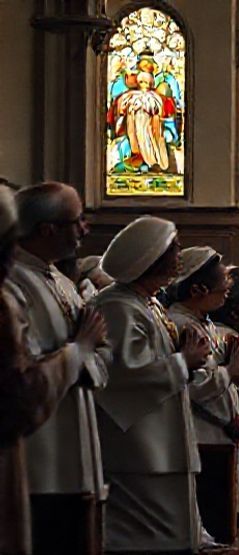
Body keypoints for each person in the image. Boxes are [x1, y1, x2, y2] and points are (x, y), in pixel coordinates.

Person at [91, 216, 211, 552]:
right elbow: (126, 375)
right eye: (174, 248)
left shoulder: (147, 303)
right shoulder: (117, 306)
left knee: (170, 534)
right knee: (144, 538)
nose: (180, 255)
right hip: (140, 446)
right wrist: (183, 361)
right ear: (153, 257)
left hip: (161, 442)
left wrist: (185, 354)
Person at [0, 185, 107, 555]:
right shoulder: (13, 283)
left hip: (75, 438)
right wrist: (79, 350)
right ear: (47, 229)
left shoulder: (61, 281)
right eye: (77, 220)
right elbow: (17, 376)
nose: (85, 229)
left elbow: (98, 351)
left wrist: (88, 351)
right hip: (40, 453)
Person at [167, 249, 239, 529]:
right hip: (203, 424)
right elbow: (194, 386)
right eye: (222, 287)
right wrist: (230, 374)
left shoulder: (205, 323)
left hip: (222, 420)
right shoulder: (181, 324)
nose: (227, 292)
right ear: (198, 289)